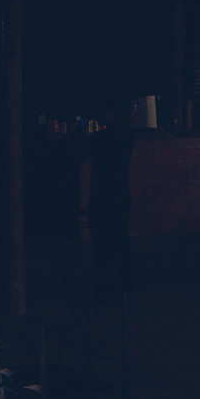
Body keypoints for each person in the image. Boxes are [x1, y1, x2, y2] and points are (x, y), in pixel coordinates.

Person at [87, 96, 136, 298]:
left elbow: (82, 153)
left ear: (108, 113)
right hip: (121, 193)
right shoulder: (128, 136)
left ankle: (105, 288)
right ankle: (126, 288)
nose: (96, 114)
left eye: (99, 110)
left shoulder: (99, 139)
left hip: (101, 195)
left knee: (102, 244)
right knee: (121, 241)